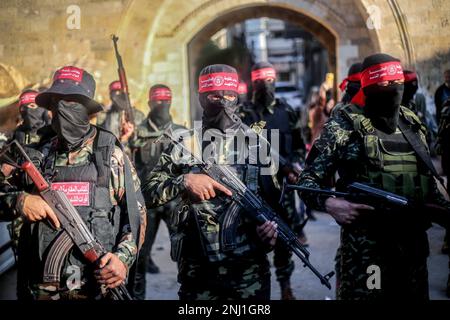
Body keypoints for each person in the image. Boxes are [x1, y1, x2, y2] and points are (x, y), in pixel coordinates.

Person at [298, 53, 450, 300]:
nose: (393, 89)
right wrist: (330, 203)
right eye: (385, 84)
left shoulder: (411, 123)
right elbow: (307, 182)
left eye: (396, 83)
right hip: (368, 253)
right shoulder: (346, 124)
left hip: (413, 250)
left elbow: (427, 183)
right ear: (368, 85)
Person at [0, 66, 147, 300]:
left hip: (95, 286)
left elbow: (136, 213)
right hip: (41, 289)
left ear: (87, 109)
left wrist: (123, 259)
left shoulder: (110, 155)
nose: (62, 109)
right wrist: (20, 201)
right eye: (56, 101)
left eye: (72, 102)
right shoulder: (35, 155)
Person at [143, 64, 280, 300]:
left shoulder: (257, 145)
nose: (223, 101)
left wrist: (270, 231)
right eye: (215, 96)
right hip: (198, 272)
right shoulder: (186, 143)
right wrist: (184, 181)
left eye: (229, 95)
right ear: (202, 98)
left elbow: (273, 203)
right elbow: (148, 192)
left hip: (249, 274)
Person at [237, 62, 305, 300]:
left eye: (269, 80)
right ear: (253, 83)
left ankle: (285, 285)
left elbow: (298, 145)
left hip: (283, 188)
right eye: (259, 81)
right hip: (254, 188)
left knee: (284, 238)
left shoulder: (287, 111)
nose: (265, 86)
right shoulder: (242, 114)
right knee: (254, 237)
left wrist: (295, 165)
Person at [128, 84, 187, 299]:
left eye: (166, 100)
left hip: (175, 203)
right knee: (139, 256)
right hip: (147, 204)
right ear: (149, 104)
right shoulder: (136, 133)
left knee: (185, 255)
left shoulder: (181, 132)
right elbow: (123, 160)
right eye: (157, 101)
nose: (162, 105)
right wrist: (125, 137)